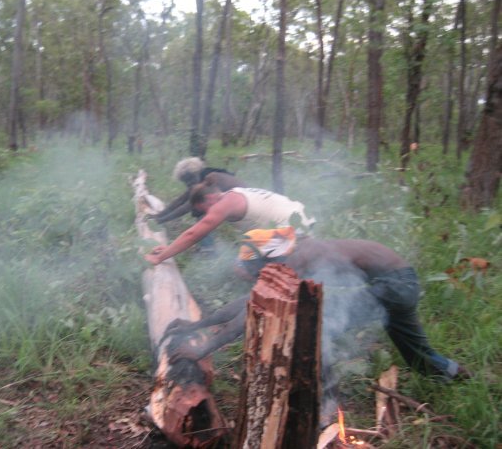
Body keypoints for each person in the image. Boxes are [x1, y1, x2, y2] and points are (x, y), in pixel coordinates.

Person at [162, 236, 471, 382]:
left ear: (269, 262)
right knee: (417, 355)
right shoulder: (302, 251)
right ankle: (454, 373)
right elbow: (251, 301)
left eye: (257, 272)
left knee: (319, 325)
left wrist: (203, 348)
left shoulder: (301, 258)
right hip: (405, 285)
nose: (258, 278)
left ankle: (322, 395)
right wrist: (194, 327)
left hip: (393, 288)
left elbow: (254, 306)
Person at [144, 184, 316, 266]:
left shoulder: (225, 203)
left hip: (292, 231)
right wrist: (168, 249)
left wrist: (160, 258)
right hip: (301, 219)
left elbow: (193, 234)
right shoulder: (232, 195)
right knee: (248, 256)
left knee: (241, 267)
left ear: (210, 198)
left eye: (203, 209)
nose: (205, 214)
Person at [151, 157, 245, 225]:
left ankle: (208, 249)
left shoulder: (210, 178)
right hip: (237, 202)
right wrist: (159, 215)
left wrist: (162, 220)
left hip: (243, 205)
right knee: (199, 208)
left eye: (189, 180)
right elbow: (181, 200)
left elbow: (188, 206)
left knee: (199, 210)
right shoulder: (202, 176)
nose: (188, 184)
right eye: (185, 182)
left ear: (195, 173)